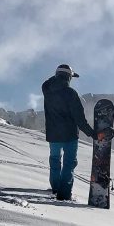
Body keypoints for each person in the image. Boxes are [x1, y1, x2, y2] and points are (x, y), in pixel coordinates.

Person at [41, 63, 95, 200]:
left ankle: (55, 188)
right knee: (69, 163)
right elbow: (79, 118)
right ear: (69, 77)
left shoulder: (47, 90)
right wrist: (91, 133)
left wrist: (55, 76)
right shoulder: (71, 93)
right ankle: (64, 194)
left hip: (53, 134)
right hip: (69, 135)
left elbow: (48, 82)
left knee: (54, 160)